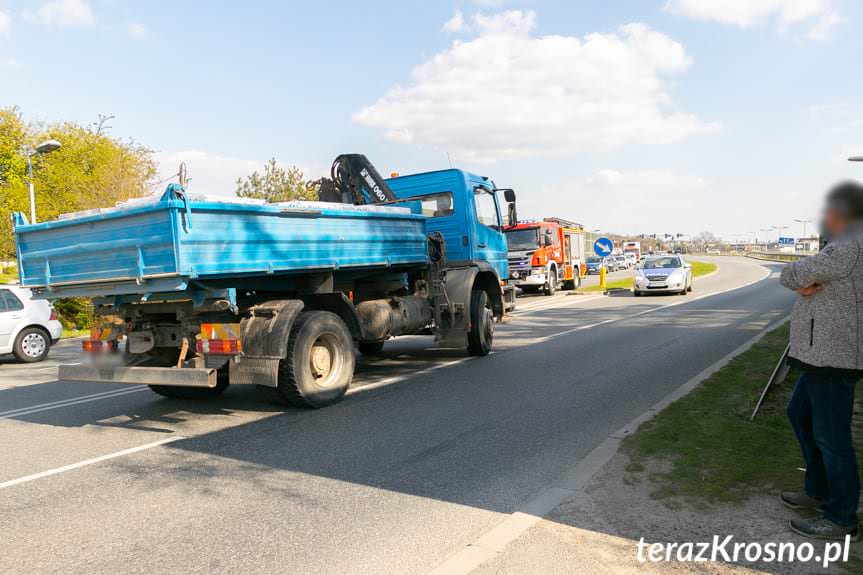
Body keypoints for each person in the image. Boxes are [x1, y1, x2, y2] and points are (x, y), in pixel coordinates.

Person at [780, 180, 863, 541]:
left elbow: (792, 273)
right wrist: (804, 283)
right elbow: (803, 277)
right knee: (799, 415)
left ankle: (841, 517)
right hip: (820, 356)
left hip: (834, 357)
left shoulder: (848, 247)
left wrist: (801, 280)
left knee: (832, 438)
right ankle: (818, 489)